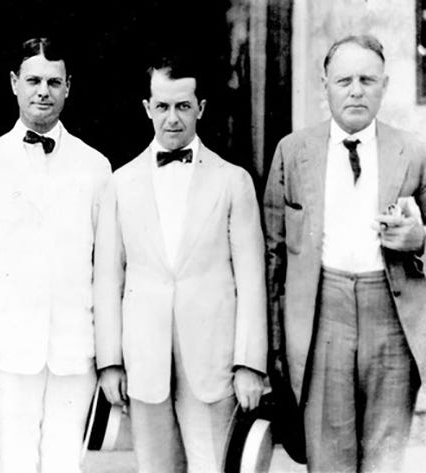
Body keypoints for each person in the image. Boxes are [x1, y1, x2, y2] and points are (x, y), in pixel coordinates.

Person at [93, 55, 267, 473]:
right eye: (163, 106)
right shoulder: (120, 183)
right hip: (145, 358)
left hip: (213, 360)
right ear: (147, 108)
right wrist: (109, 362)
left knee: (213, 465)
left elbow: (251, 278)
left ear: (200, 108)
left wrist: (249, 364)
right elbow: (107, 279)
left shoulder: (233, 180)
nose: (173, 118)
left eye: (183, 106)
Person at [264, 34, 426, 472]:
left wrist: (420, 242)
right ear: (325, 85)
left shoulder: (413, 151)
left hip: (390, 318)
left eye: (367, 80)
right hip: (322, 316)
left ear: (384, 85)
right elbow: (274, 257)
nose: (356, 90)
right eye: (345, 80)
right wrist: (276, 346)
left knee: (384, 456)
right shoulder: (293, 152)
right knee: (328, 455)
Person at [0, 37, 111, 473]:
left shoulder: (95, 166)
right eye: (33, 80)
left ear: (68, 87)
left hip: (75, 346)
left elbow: (105, 268)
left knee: (67, 462)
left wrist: (106, 349)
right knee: (16, 463)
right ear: (13, 84)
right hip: (10, 349)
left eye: (53, 81)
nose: (42, 91)